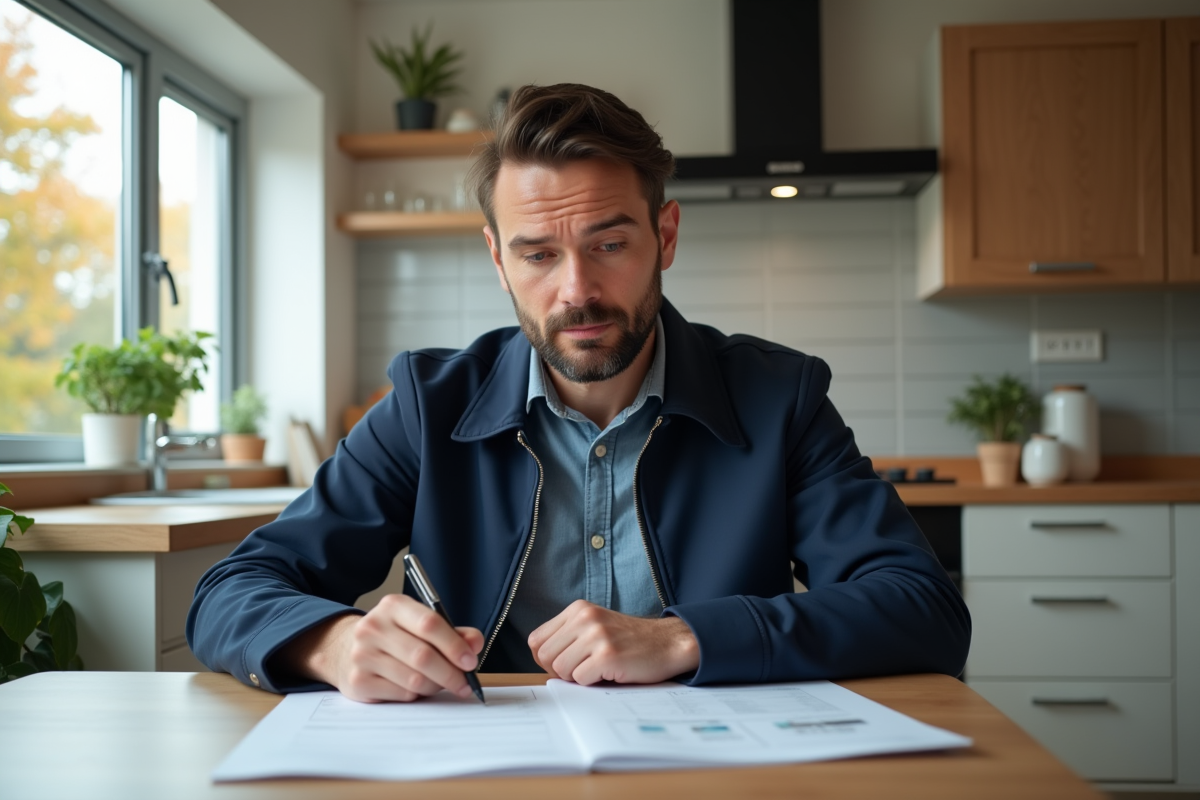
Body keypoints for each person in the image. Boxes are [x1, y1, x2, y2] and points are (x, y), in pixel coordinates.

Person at [187, 83, 970, 702]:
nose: (577, 291)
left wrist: (685, 638)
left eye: (609, 244)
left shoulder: (780, 397)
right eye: (537, 255)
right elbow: (232, 591)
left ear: (664, 236)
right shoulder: (429, 405)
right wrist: (328, 643)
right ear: (498, 260)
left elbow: (922, 609)